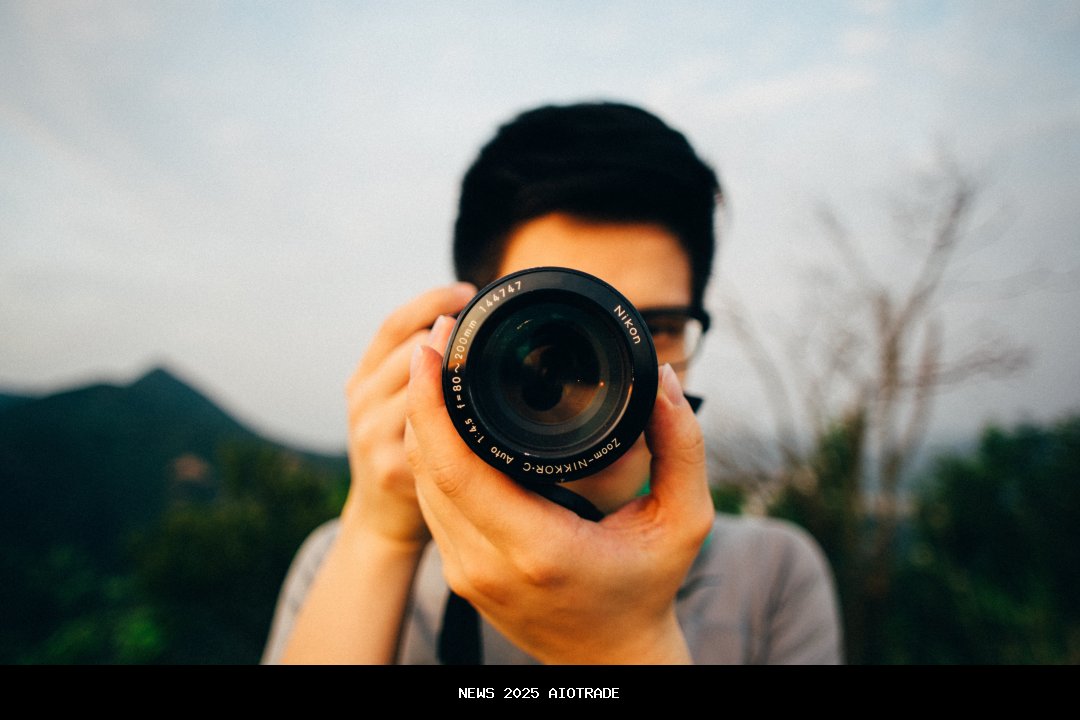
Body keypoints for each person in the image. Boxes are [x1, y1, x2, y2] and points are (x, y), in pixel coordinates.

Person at [261, 101, 843, 665]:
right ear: (467, 333)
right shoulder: (340, 562)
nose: (609, 374)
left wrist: (625, 647)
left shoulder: (773, 576)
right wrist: (380, 532)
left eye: (657, 328)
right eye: (559, 332)